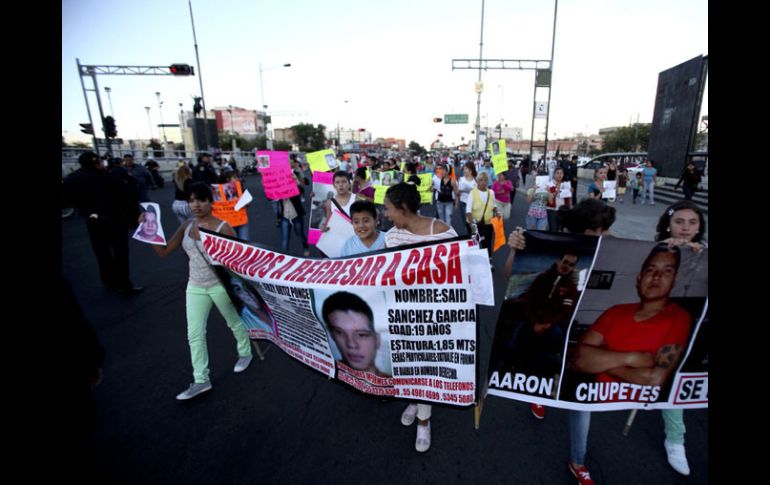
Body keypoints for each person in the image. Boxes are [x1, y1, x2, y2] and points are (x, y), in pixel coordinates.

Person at [506, 199, 616, 484]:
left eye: (605, 230)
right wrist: (514, 250)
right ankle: (538, 393)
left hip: (585, 334)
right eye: (595, 231)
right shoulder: (549, 268)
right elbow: (511, 281)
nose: (602, 236)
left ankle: (578, 461)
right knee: (525, 352)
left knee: (582, 399)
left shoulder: (614, 249)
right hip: (546, 326)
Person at [146, 182, 253, 400]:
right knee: (194, 334)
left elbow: (239, 261)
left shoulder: (223, 227)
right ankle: (201, 380)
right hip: (194, 286)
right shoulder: (186, 226)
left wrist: (239, 288)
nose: (196, 205)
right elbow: (163, 252)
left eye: (201, 200)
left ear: (210, 202)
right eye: (191, 200)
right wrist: (150, 229)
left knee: (233, 322)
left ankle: (245, 352)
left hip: (219, 285)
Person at [383, 182, 458, 453]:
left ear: (403, 208)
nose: (386, 215)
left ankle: (424, 422)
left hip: (436, 317)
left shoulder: (444, 233)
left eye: (389, 209)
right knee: (409, 366)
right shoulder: (391, 237)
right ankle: (416, 399)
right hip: (403, 316)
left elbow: (459, 276)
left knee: (426, 366)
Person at [651, 200, 707, 476]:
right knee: (671, 377)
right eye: (680, 222)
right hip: (661, 328)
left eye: (692, 223)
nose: (686, 228)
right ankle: (676, 440)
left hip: (696, 329)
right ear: (669, 223)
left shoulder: (706, 253)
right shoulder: (654, 250)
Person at [62, 151, 144, 294]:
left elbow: (66, 199)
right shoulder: (106, 177)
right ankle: (124, 284)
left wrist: (85, 209)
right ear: (96, 162)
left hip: (93, 221)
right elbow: (125, 194)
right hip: (114, 220)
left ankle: (108, 281)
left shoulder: (73, 179)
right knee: (120, 253)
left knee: (102, 253)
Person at [321, 291, 387, 376]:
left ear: (377, 340)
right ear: (331, 335)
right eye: (339, 332)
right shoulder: (323, 373)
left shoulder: (397, 385)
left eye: (361, 335)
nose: (351, 344)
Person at [466, 172, 497, 253]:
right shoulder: (472, 193)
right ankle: (476, 261)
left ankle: (488, 262)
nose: (483, 182)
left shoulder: (491, 192)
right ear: (477, 181)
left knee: (487, 244)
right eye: (481, 180)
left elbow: (494, 205)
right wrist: (472, 225)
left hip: (488, 224)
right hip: (475, 225)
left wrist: (497, 213)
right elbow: (468, 211)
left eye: (485, 180)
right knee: (476, 245)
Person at [546, 167, 571, 231]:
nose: (560, 175)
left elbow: (568, 199)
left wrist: (570, 192)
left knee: (559, 228)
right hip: (552, 209)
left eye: (561, 173)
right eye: (557, 173)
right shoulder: (549, 184)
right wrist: (555, 192)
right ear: (554, 175)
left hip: (562, 210)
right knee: (553, 228)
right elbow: (548, 200)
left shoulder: (565, 185)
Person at [457, 162, 478, 235]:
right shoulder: (461, 179)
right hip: (462, 203)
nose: (464, 170)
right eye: (464, 168)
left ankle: (474, 236)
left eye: (466, 168)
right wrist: (459, 191)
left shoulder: (476, 180)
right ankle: (469, 238)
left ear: (471, 170)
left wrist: (472, 191)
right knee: (465, 223)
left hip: (472, 204)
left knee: (472, 222)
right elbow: (457, 193)